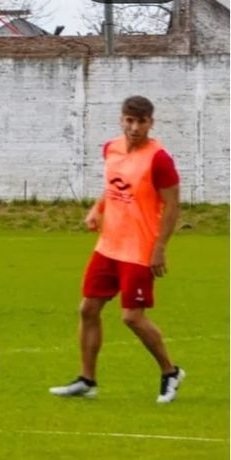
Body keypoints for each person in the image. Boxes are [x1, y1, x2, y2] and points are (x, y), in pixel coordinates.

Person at [49, 95, 184, 403]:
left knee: (132, 317)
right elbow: (113, 186)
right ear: (121, 119)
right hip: (108, 246)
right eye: (129, 120)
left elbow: (173, 205)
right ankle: (87, 380)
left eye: (141, 122)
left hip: (139, 249)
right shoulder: (110, 148)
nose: (135, 127)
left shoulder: (159, 159)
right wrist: (97, 209)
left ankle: (170, 372)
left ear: (151, 123)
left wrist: (160, 248)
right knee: (87, 309)